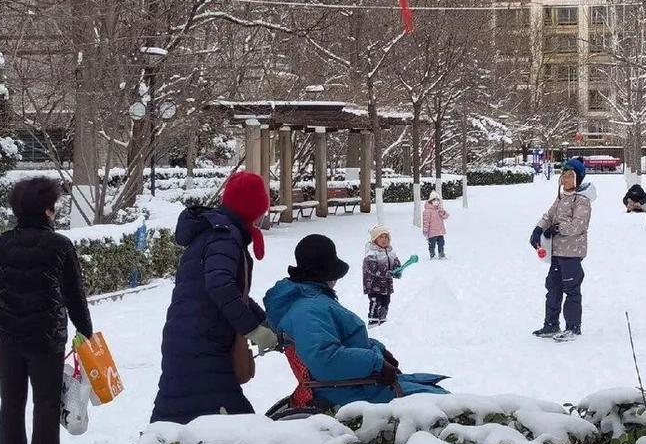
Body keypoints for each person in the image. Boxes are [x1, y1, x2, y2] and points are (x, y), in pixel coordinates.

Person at [0, 177, 93, 444]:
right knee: (46, 404)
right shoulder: (60, 245)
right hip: (46, 338)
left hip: (6, 337)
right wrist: (86, 330)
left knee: (11, 403)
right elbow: (74, 294)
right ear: (48, 210)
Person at [151, 171, 278, 424]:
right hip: (201, 342)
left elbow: (235, 293)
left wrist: (265, 322)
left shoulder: (219, 232)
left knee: (179, 416)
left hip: (193, 338)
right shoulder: (224, 236)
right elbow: (220, 286)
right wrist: (253, 329)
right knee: (235, 423)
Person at [263, 234, 447, 407]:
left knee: (435, 394)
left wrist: (378, 349)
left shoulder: (310, 300)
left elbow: (340, 340)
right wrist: (375, 363)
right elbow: (325, 359)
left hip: (355, 382)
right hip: (349, 390)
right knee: (439, 402)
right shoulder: (308, 310)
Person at [529, 159, 597, 342]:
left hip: (572, 253)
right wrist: (538, 229)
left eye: (570, 176)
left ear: (578, 178)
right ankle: (551, 324)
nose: (565, 179)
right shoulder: (561, 197)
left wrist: (558, 229)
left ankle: (573, 327)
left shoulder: (582, 200)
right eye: (564, 175)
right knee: (553, 288)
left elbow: (578, 225)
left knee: (571, 289)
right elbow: (549, 216)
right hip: (557, 252)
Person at [363, 225, 401, 327]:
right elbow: (372, 269)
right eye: (381, 237)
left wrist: (397, 270)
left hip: (386, 285)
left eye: (386, 237)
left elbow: (395, 263)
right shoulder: (371, 253)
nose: (384, 239)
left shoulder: (390, 252)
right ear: (375, 239)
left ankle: (383, 322)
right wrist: (387, 273)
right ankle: (373, 321)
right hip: (374, 285)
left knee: (386, 302)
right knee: (376, 302)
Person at [422, 191, 449, 259]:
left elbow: (446, 216)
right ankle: (432, 254)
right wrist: (425, 230)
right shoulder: (427, 211)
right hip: (432, 232)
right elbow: (426, 221)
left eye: (438, 200)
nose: (436, 202)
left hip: (439, 231)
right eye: (434, 200)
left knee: (441, 243)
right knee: (432, 244)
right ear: (431, 201)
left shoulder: (439, 210)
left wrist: (442, 212)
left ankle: (441, 254)